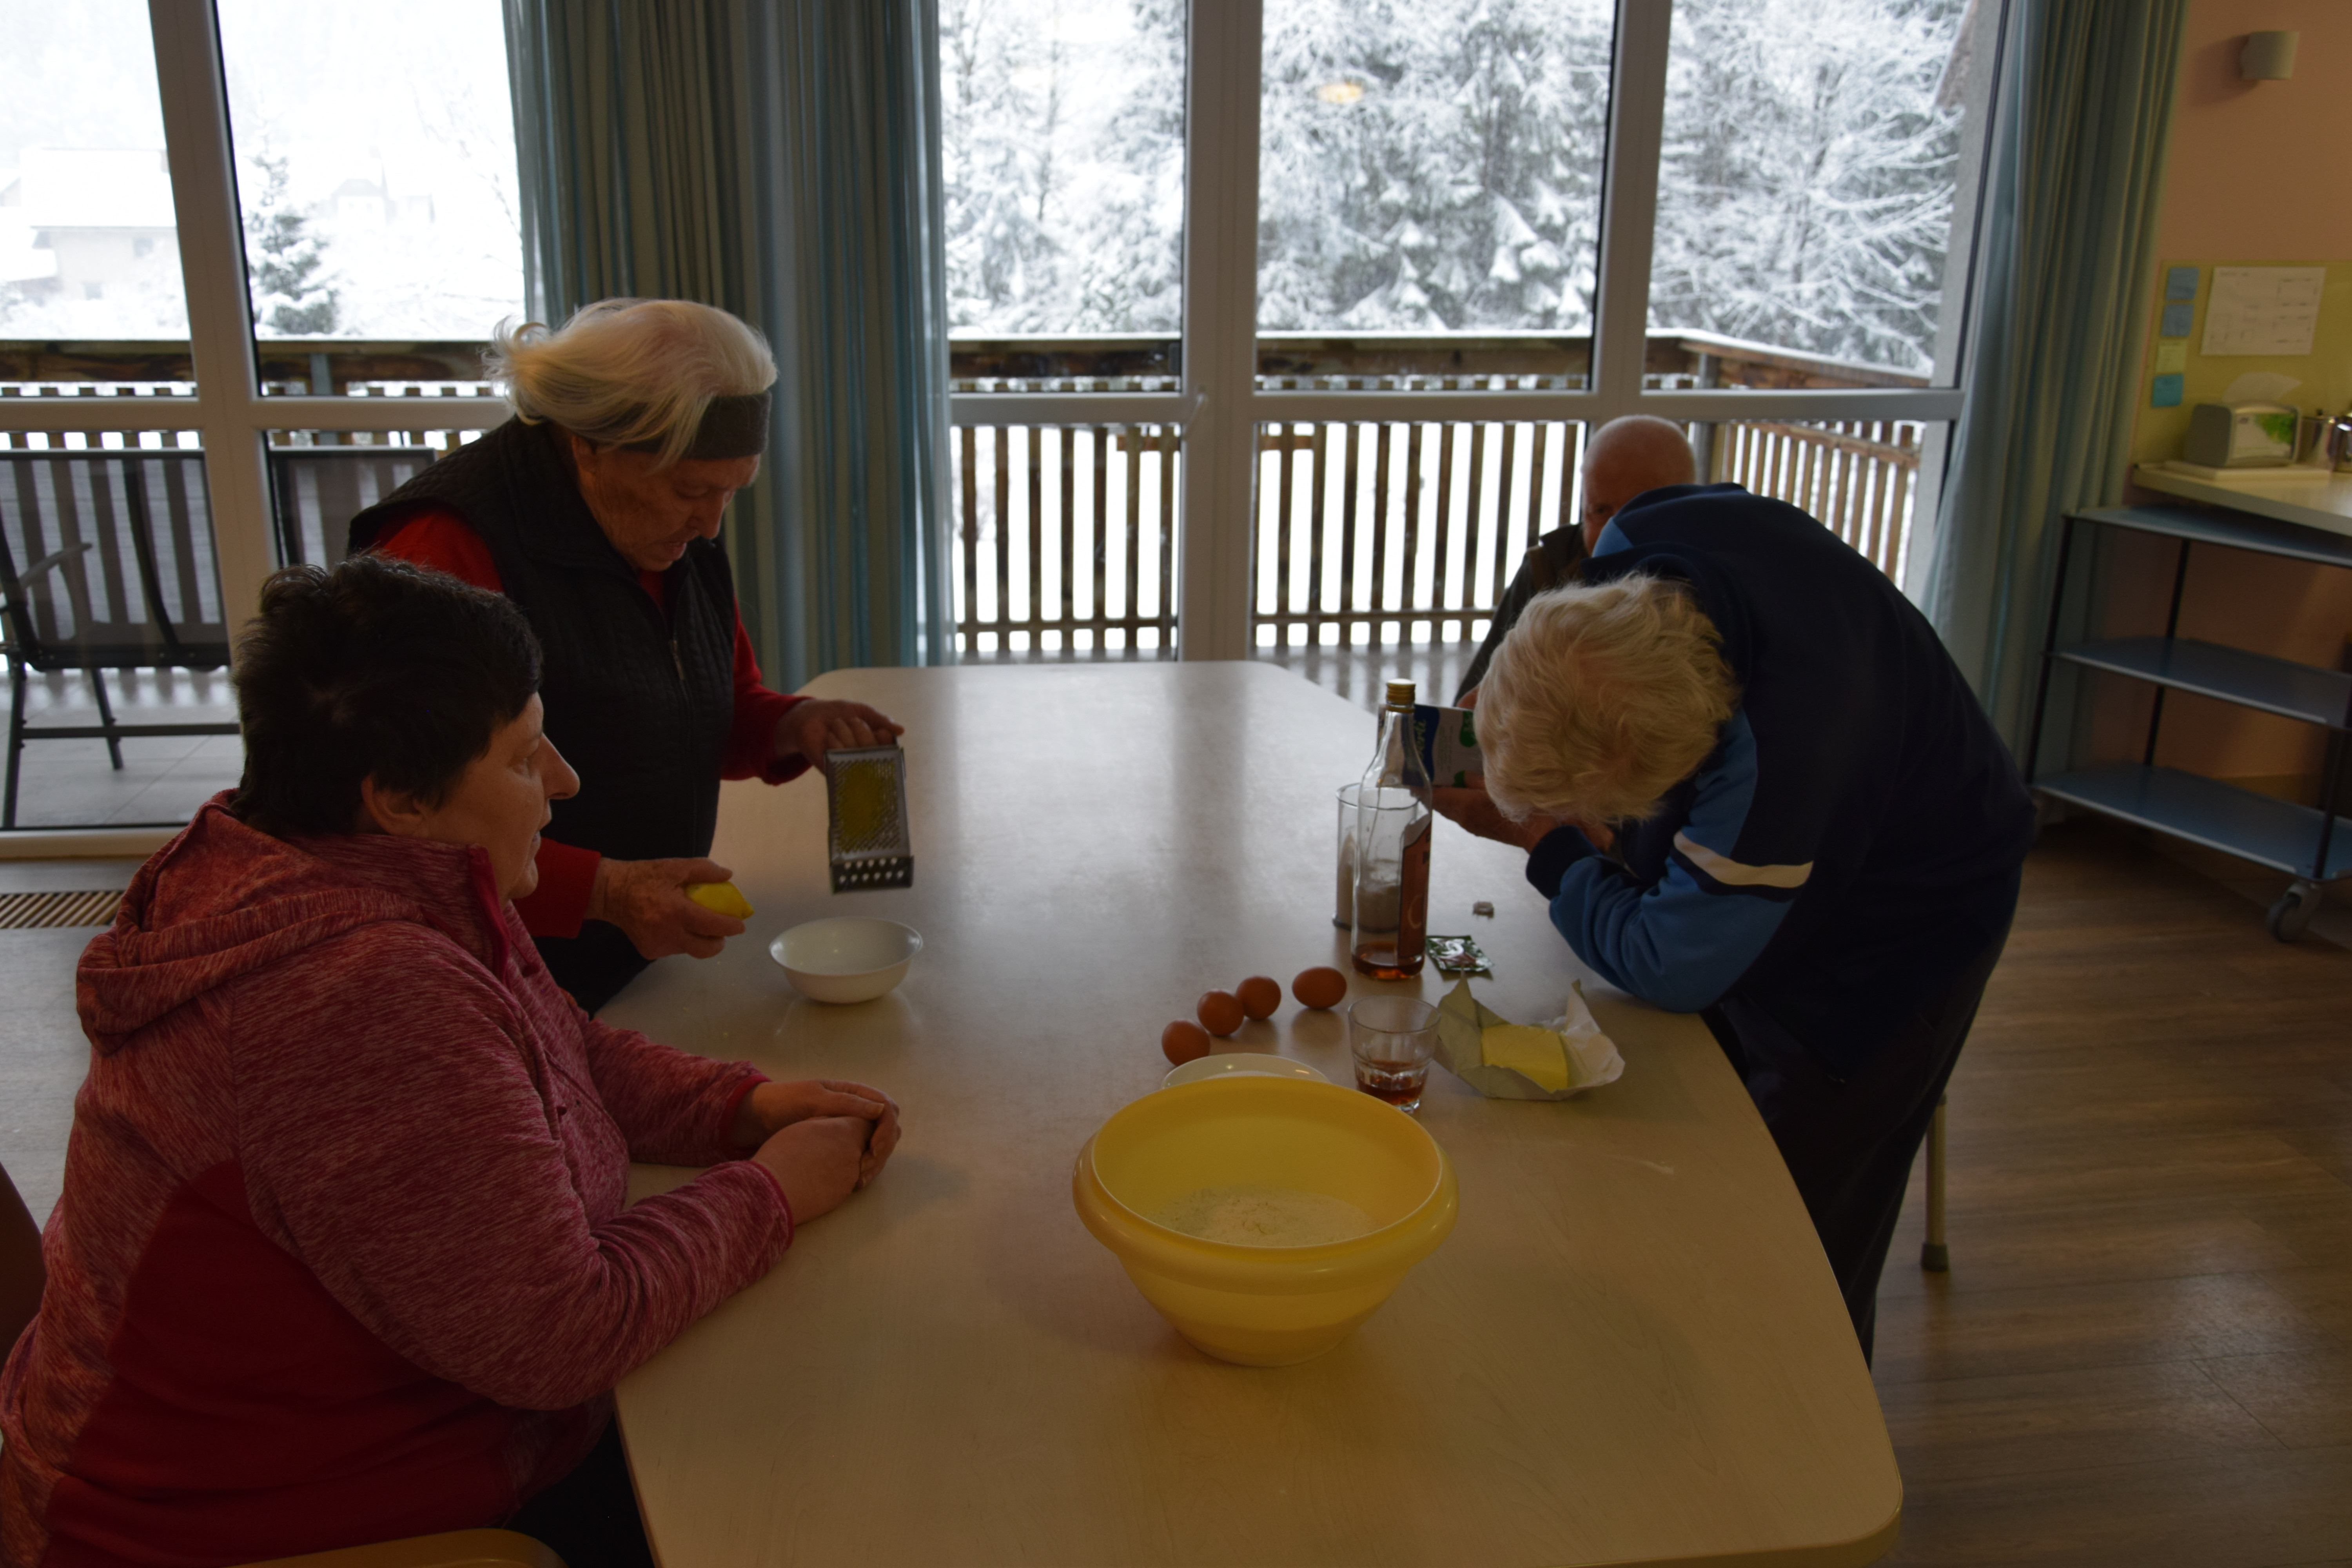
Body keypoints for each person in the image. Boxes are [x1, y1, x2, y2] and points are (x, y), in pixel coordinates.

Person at [0, 556, 902, 1568]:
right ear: (398, 798)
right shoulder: (355, 994)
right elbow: (558, 1335)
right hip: (232, 1529)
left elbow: (562, 1049)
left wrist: (739, 1106)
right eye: (520, 758)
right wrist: (769, 1192)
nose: (562, 779)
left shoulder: (354, 868)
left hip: (381, 1440)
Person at [1435, 483, 2034, 1361]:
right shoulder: (1638, 539)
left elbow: (1672, 963)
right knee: (1694, 1154)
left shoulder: (1781, 765)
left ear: (1682, 771)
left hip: (1907, 922)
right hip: (1851, 780)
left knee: (1792, 1235)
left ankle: (1808, 1411)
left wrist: (1548, 845)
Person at [351, 298, 902, 1012]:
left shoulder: (666, 532)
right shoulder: (443, 549)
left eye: (731, 492)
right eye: (691, 490)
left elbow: (705, 706)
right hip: (500, 980)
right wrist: (606, 892)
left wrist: (793, 725)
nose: (711, 525)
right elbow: (409, 826)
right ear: (590, 446)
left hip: (639, 967)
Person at [1453, 414, 1698, 702]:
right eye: (1600, 511)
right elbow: (1470, 706)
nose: (1613, 532)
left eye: (1637, 512)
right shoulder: (1548, 571)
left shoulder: (1709, 581)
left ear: (1684, 511)